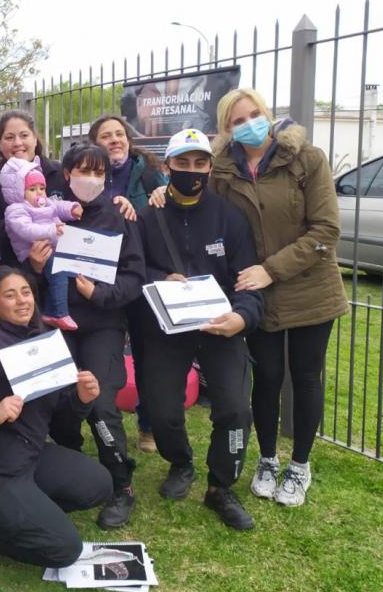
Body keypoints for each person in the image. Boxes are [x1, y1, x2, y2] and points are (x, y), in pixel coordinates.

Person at [211, 88, 348, 507]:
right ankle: (268, 459)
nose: (248, 124)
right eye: (236, 120)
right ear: (226, 129)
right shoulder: (222, 171)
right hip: (256, 293)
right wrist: (163, 194)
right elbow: (205, 214)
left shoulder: (307, 159)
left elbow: (325, 230)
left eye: (254, 114)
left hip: (309, 286)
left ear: (267, 115)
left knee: (305, 377)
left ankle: (299, 465)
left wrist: (272, 269)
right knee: (267, 377)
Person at [0, 267, 111, 577]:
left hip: (29, 457)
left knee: (99, 485)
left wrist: (82, 399)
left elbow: (60, 423)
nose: (21, 301)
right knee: (63, 550)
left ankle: (17, 512)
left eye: (26, 292)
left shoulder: (46, 343)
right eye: (10, 295)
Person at [135, 128, 263, 531]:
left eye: (199, 163)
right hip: (166, 327)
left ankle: (220, 487)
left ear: (210, 167)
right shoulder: (148, 216)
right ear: (168, 165)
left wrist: (242, 316)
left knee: (236, 409)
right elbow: (133, 271)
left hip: (220, 325)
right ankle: (180, 462)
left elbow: (248, 279)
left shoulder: (230, 216)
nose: (191, 171)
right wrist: (159, 277)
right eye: (182, 163)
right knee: (161, 408)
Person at [38, 143, 146, 529]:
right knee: (58, 400)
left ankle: (121, 485)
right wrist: (35, 264)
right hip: (56, 325)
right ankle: (71, 469)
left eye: (99, 173)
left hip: (102, 323)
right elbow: (24, 273)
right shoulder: (48, 212)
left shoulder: (119, 216)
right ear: (66, 175)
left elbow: (134, 277)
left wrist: (99, 294)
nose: (91, 179)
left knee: (99, 403)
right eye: (83, 171)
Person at [88, 114, 168, 453]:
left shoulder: (148, 173)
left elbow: (163, 215)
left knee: (146, 352)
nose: (115, 140)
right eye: (106, 136)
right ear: (95, 143)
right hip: (99, 277)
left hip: (141, 272)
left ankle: (148, 425)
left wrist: (141, 201)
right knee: (104, 354)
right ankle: (97, 413)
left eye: (119, 134)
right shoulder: (88, 173)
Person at [0, 110, 68, 269]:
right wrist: (15, 223)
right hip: (12, 275)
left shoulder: (59, 173)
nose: (17, 143)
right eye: (9, 137)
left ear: (35, 139)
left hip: (64, 268)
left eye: (24, 135)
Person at [0, 157, 82, 330]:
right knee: (59, 273)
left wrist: (72, 208)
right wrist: (52, 230)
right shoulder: (16, 209)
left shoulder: (45, 203)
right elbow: (27, 230)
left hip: (51, 246)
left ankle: (51, 311)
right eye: (32, 189)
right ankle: (60, 312)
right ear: (18, 191)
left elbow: (59, 206)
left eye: (42, 188)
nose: (39, 193)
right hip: (31, 251)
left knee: (67, 271)